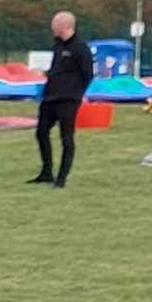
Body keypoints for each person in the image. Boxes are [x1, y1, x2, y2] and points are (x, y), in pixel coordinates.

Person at [32, 10, 94, 188]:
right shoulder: (57, 46)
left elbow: (87, 74)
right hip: (50, 97)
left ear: (65, 26)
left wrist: (77, 94)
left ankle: (61, 178)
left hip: (68, 99)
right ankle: (46, 172)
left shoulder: (80, 48)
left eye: (55, 24)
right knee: (41, 132)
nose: (52, 27)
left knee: (66, 138)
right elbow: (57, 69)